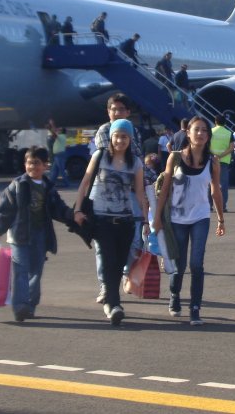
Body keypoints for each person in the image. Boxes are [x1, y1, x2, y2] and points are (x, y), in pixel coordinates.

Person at [72, 119, 149, 326]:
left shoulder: (136, 163)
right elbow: (85, 183)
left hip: (125, 220)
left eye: (125, 137)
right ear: (111, 137)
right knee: (107, 261)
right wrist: (78, 209)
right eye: (117, 136)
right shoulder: (100, 156)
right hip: (101, 219)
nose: (120, 140)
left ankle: (111, 300)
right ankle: (113, 304)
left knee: (120, 263)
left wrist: (146, 220)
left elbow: (140, 194)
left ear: (130, 139)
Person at [153, 116, 226, 326]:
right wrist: (157, 218)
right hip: (176, 218)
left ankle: (195, 308)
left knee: (196, 263)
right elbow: (165, 189)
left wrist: (221, 219)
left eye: (205, 131)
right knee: (179, 264)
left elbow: (216, 191)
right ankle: (175, 295)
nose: (201, 134)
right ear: (188, 133)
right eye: (197, 130)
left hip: (200, 217)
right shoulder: (174, 158)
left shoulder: (213, 162)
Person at [0, 146, 73, 322]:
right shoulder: (17, 185)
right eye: (29, 163)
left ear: (45, 166)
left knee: (36, 272)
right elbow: (5, 210)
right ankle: (20, 306)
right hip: (19, 235)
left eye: (36, 163)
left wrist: (73, 216)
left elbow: (58, 208)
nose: (32, 167)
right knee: (20, 271)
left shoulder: (47, 186)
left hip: (40, 235)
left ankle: (30, 304)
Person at [92, 93, 144, 305]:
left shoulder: (135, 131)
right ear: (108, 111)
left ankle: (122, 273)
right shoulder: (104, 131)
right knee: (102, 246)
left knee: (133, 241)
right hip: (105, 193)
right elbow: (113, 156)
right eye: (114, 109)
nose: (117, 113)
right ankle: (106, 285)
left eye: (121, 109)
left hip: (130, 192)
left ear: (128, 112)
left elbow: (136, 155)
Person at [210, 115, 235, 212]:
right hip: (223, 161)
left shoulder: (210, 132)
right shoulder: (229, 133)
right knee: (223, 185)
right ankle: (222, 206)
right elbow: (231, 147)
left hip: (211, 160)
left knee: (210, 183)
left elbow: (206, 146)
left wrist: (214, 155)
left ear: (215, 121)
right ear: (225, 123)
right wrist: (220, 155)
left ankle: (209, 205)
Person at [47, 121, 69, 188]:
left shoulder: (61, 136)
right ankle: (51, 183)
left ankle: (67, 183)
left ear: (61, 131)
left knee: (61, 170)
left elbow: (54, 134)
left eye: (59, 129)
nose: (58, 130)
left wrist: (51, 125)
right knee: (54, 170)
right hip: (58, 155)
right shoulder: (63, 136)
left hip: (59, 155)